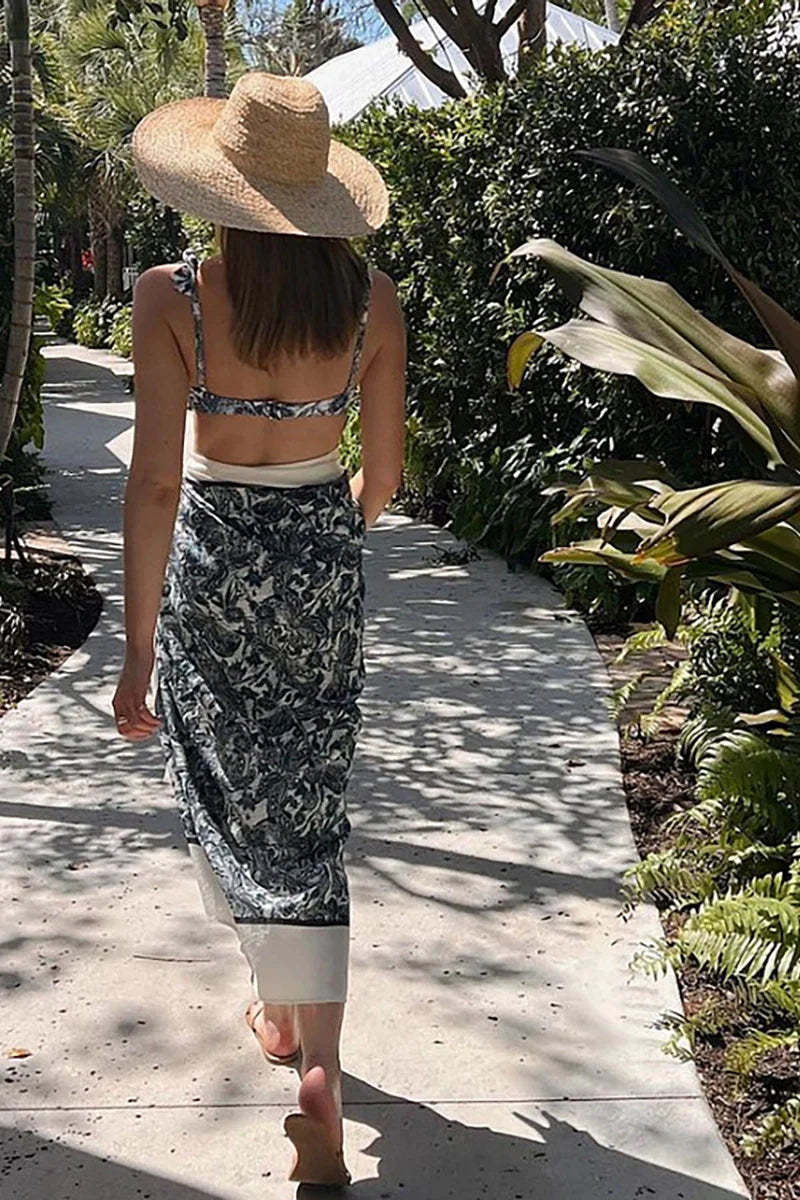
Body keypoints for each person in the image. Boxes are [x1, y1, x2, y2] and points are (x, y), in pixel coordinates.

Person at [111, 71, 406, 1186]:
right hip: (319, 557)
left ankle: (280, 1017)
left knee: (232, 786)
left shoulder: (172, 296)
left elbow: (153, 483)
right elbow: (382, 480)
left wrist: (139, 646)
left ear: (218, 185)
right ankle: (314, 1057)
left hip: (213, 564)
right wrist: (320, 532)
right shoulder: (372, 301)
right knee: (309, 801)